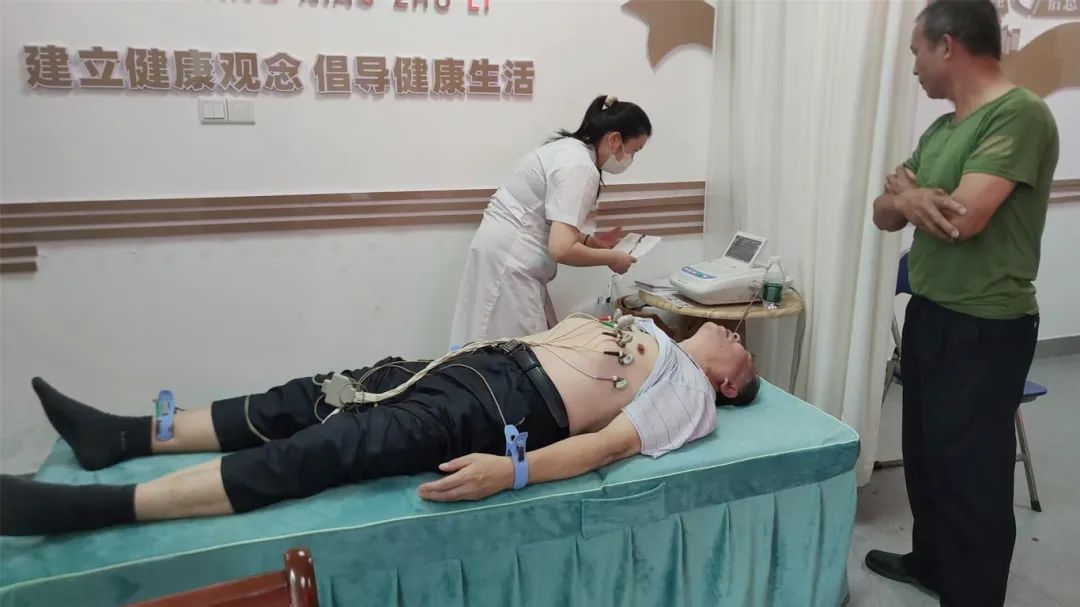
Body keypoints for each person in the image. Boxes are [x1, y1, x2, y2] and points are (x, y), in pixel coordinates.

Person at [0, 316, 758, 537]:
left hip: (497, 411)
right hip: (473, 365)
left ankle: (93, 509)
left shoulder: (689, 393)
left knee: (328, 448)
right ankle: (123, 436)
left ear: (729, 382)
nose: (733, 332)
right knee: (303, 398)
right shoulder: (653, 324)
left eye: (741, 348)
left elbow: (606, 445)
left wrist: (514, 470)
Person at [867, 2, 1059, 605]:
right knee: (927, 459)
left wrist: (910, 193)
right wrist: (909, 199)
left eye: (917, 51)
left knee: (972, 473)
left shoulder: (1019, 114)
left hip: (986, 325)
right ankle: (933, 564)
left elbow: (962, 220)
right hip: (931, 314)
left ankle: (972, 593)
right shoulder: (942, 130)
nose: (914, 67)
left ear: (947, 46)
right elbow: (881, 212)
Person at [449, 95, 652, 348]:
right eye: (634, 150)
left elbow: (550, 218)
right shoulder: (579, 167)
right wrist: (613, 258)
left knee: (495, 342)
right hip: (511, 262)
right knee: (514, 349)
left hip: (503, 253)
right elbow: (561, 249)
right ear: (614, 140)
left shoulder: (569, 150)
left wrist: (591, 242)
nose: (631, 158)